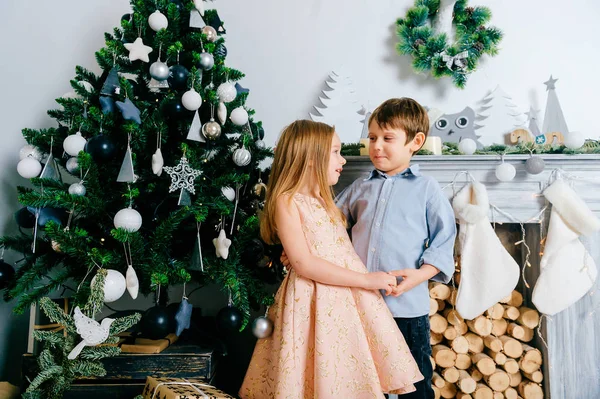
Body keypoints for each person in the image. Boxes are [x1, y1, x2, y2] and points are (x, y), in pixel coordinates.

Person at [239, 120, 423, 399]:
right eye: (335, 152)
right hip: (311, 301)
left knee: (343, 372)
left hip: (344, 302)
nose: (343, 159)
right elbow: (305, 263)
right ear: (311, 158)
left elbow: (331, 249)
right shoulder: (287, 201)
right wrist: (365, 280)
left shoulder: (326, 202)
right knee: (312, 371)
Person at [336, 98, 457, 399]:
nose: (376, 146)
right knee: (362, 380)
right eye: (372, 137)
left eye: (388, 138)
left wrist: (421, 275)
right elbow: (332, 224)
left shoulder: (426, 188)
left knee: (414, 386)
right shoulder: (360, 188)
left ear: (415, 142)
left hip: (406, 308)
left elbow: (445, 238)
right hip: (360, 305)